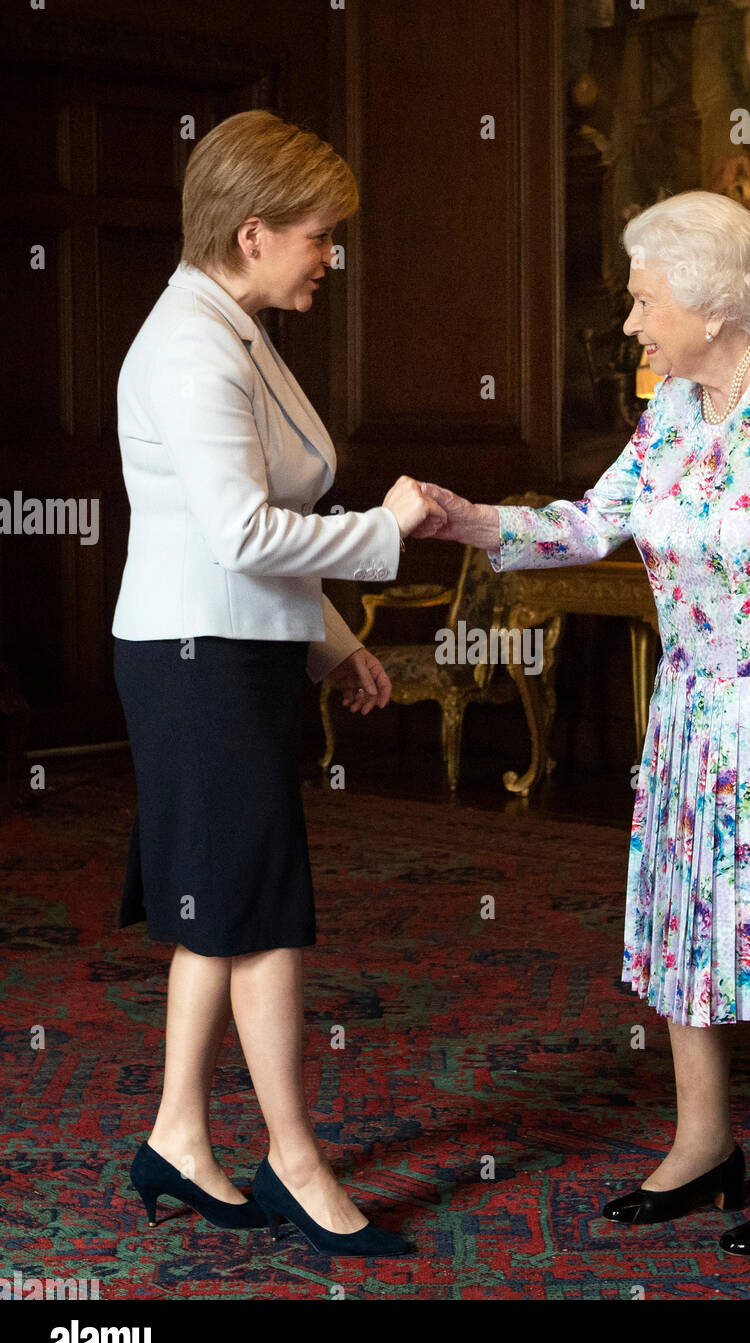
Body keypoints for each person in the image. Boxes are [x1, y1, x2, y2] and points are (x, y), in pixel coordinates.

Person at [415, 190, 750, 1258]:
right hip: (692, 709)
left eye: (645, 300)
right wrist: (477, 522)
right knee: (689, 921)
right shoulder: (676, 402)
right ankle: (703, 1142)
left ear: (714, 301)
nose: (631, 322)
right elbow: (597, 519)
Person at [111, 109, 445, 1256]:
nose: (330, 256)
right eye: (320, 235)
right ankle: (295, 1162)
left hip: (230, 652)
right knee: (260, 915)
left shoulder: (234, 328)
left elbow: (262, 537)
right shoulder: (191, 345)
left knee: (218, 910)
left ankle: (176, 1138)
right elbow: (249, 533)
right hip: (194, 662)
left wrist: (334, 640)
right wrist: (388, 529)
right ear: (252, 233)